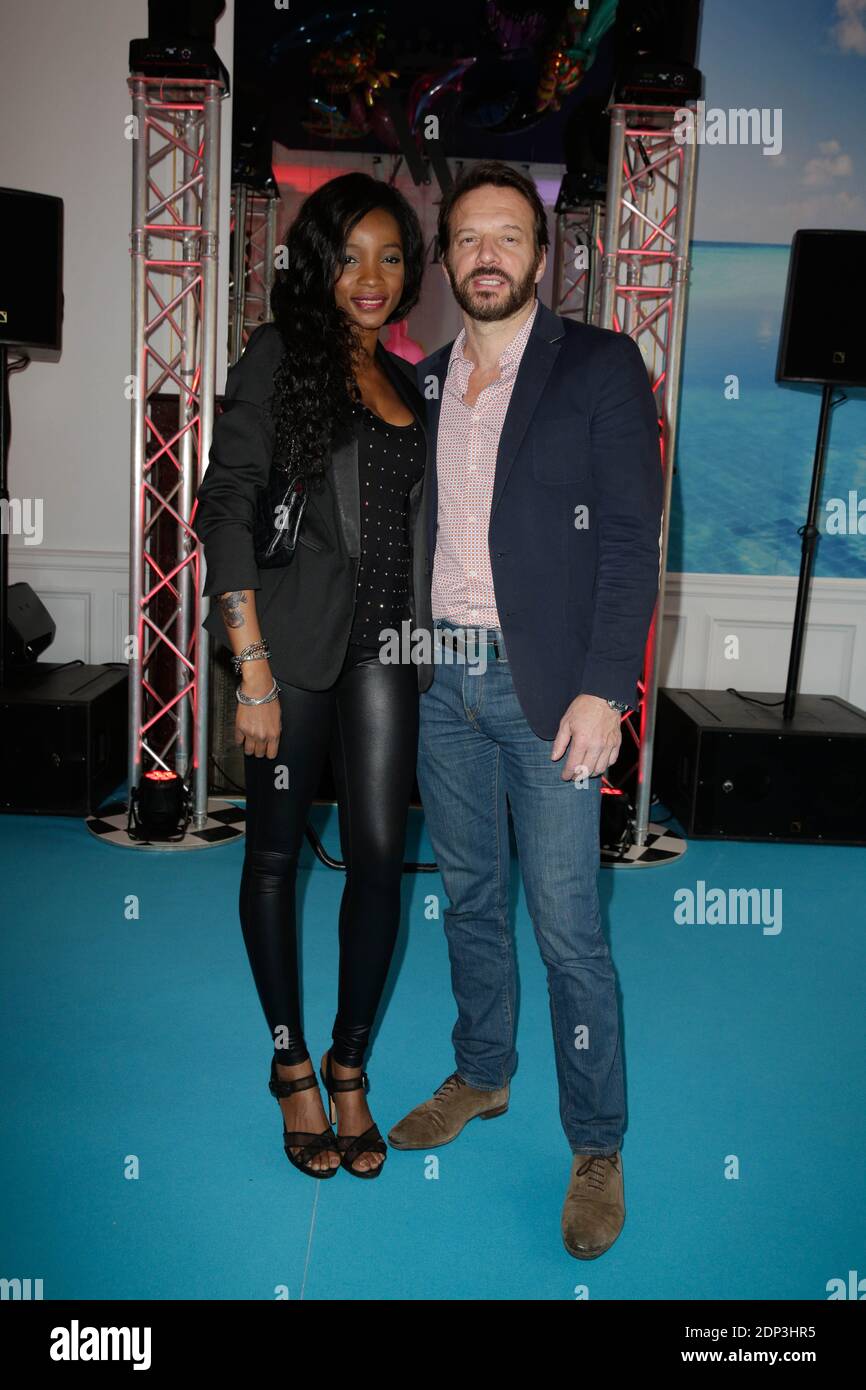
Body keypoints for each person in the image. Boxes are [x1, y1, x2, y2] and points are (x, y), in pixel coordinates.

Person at [387, 161, 663, 1257]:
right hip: (436, 680)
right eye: (467, 238)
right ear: (445, 260)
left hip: (549, 691)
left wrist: (608, 689)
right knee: (464, 896)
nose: (487, 254)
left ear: (540, 257)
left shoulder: (597, 365)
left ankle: (595, 1142)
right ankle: (481, 1072)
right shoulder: (415, 382)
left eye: (508, 235)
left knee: (566, 928)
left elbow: (632, 544)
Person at [194, 172, 433, 1180]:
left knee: (379, 857)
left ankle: (349, 1060)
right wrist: (247, 665)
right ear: (319, 264)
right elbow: (227, 505)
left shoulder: (409, 381)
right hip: (286, 651)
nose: (370, 277)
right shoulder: (277, 356)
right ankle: (290, 1063)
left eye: (388, 257)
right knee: (277, 857)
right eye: (350, 257)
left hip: (384, 647)